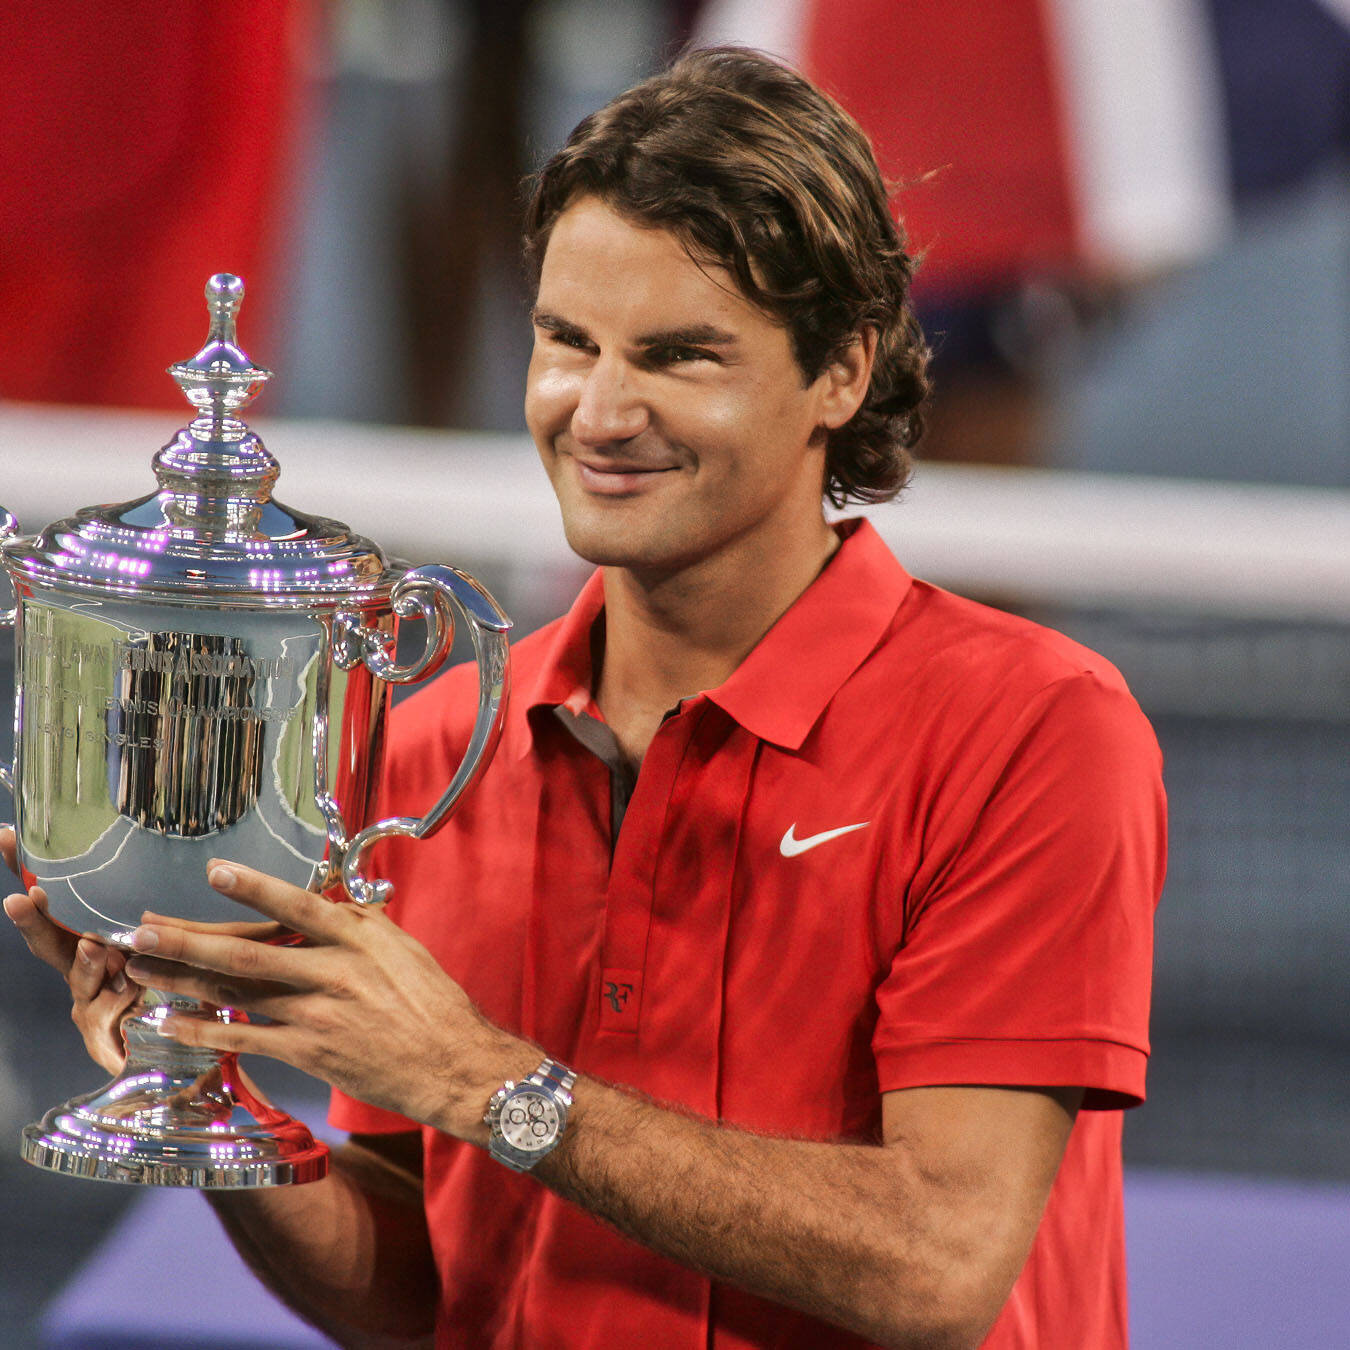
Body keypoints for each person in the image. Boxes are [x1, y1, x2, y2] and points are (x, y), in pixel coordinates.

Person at [2, 46, 1165, 1350]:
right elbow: (424, 1285)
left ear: (840, 369)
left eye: (678, 355)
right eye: (566, 341)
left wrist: (486, 1080)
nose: (599, 410)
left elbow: (935, 1263)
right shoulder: (434, 745)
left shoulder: (1033, 728)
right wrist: (202, 1087)